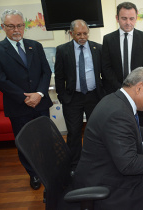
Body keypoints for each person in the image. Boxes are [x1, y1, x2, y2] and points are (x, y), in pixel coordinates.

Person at [73, 67, 143, 210]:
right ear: (139, 88)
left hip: (102, 169)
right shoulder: (118, 113)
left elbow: (118, 131)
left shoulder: (115, 100)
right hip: (107, 183)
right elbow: (129, 164)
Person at [0, 9, 53, 190]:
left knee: (45, 140)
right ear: (3, 27)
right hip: (18, 106)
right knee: (25, 143)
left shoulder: (35, 45)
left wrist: (39, 94)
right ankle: (33, 174)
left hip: (40, 103)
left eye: (19, 25)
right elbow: (0, 80)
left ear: (24, 26)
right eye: (11, 26)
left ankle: (49, 170)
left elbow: (46, 72)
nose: (16, 29)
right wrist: (25, 98)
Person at [54, 19, 106, 171]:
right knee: (74, 132)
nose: (82, 37)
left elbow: (105, 73)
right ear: (71, 34)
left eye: (85, 33)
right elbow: (59, 76)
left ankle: (96, 160)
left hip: (94, 97)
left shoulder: (98, 48)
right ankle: (74, 165)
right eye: (78, 34)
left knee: (96, 131)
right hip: (73, 98)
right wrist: (62, 96)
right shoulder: (63, 50)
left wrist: (105, 94)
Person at [102, 1, 143, 127]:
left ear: (136, 18)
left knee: (141, 127)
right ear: (117, 18)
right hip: (116, 91)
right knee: (118, 126)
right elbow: (106, 67)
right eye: (124, 18)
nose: (128, 22)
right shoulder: (108, 39)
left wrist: (136, 87)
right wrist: (122, 88)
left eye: (131, 18)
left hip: (140, 91)